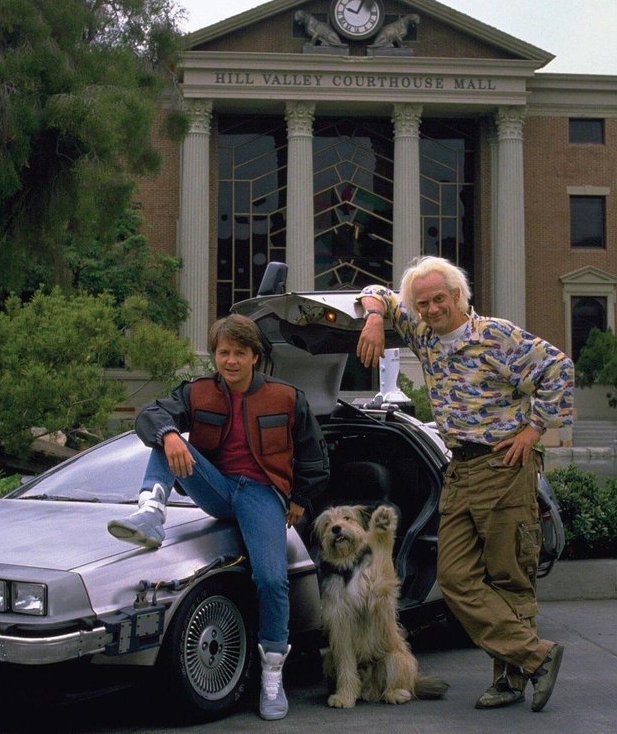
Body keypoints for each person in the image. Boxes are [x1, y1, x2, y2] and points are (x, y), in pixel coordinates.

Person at [355, 255, 574, 713]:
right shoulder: (423, 332)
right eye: (423, 303)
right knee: (454, 576)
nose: (432, 309)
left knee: (509, 577)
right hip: (459, 469)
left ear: (458, 295)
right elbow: (378, 293)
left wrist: (534, 430)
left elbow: (559, 369)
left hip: (504, 466)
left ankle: (510, 680)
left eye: (440, 299)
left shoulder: (495, 335)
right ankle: (536, 656)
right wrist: (375, 317)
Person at [107, 313, 329, 721]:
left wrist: (299, 498)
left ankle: (272, 677)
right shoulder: (197, 392)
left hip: (262, 493)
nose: (230, 361)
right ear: (214, 356)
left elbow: (315, 456)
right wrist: (170, 435)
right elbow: (149, 416)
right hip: (217, 487)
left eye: (239, 353)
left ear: (255, 356)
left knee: (271, 579)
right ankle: (150, 514)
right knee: (165, 437)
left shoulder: (286, 397)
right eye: (223, 353)